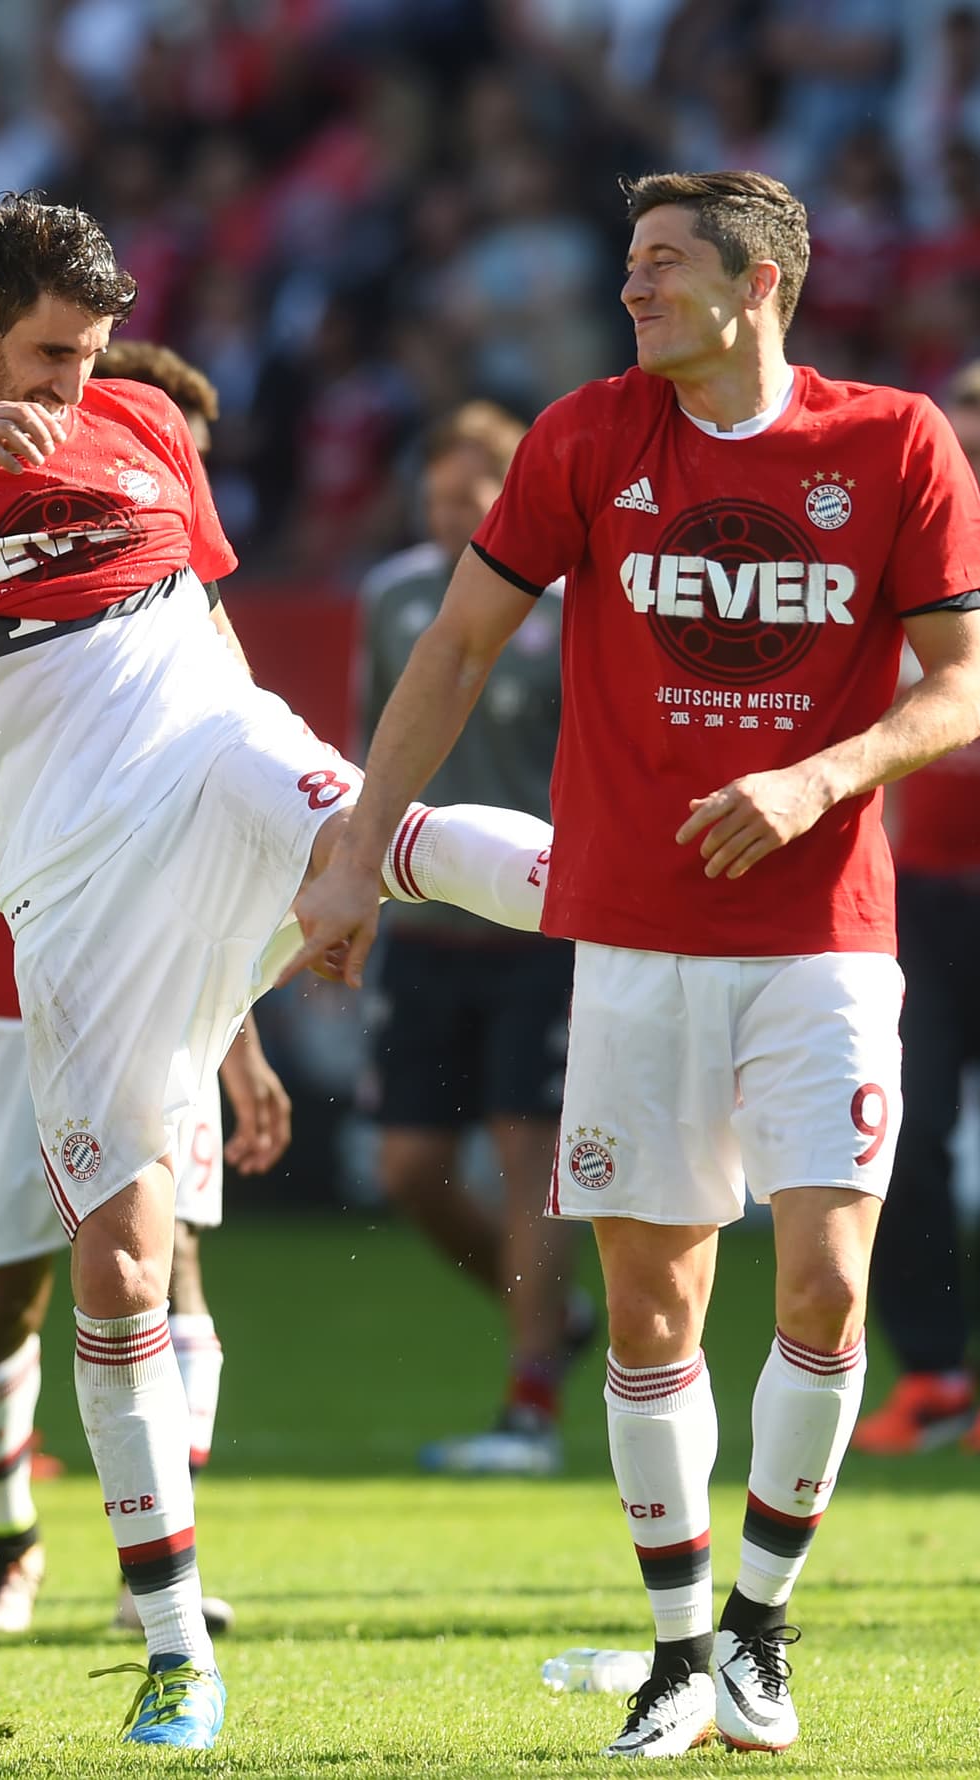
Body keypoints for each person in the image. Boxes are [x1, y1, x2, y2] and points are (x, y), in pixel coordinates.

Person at [0, 192, 553, 1751]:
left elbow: (204, 623)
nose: (75, 390)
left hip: (221, 757)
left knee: (394, 835)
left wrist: (288, 873)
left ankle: (677, 901)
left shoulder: (140, 420)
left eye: (95, 355)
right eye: (50, 355)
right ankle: (175, 1646)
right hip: (72, 900)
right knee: (113, 1270)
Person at [284, 168, 980, 1758]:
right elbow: (456, 645)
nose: (632, 290)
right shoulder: (585, 437)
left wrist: (821, 777)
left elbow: (962, 683)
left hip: (825, 936)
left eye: (663, 265)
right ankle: (683, 1651)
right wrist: (353, 853)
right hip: (635, 946)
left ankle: (761, 1627)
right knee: (651, 1310)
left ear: (759, 286)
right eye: (628, 263)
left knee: (825, 1277)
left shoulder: (891, 443)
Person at [0, 337, 288, 1637]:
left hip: (157, 982)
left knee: (171, 1269)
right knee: (0, 1296)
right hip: (1, 988)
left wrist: (243, 1031)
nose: (170, 494)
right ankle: (7, 1534)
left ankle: (161, 1574)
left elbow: (232, 824)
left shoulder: (182, 627)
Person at [359, 400, 587, 1478]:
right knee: (408, 1168)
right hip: (425, 921)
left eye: (471, 493)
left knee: (527, 1153)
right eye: (438, 493)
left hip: (543, 926)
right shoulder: (392, 595)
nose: (451, 510)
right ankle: (548, 1315)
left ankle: (529, 1398)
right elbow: (375, 743)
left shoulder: (568, 600)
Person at [854, 355, 980, 1460]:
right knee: (894, 1142)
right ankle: (929, 1373)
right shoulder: (917, 562)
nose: (968, 462)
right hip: (916, 900)